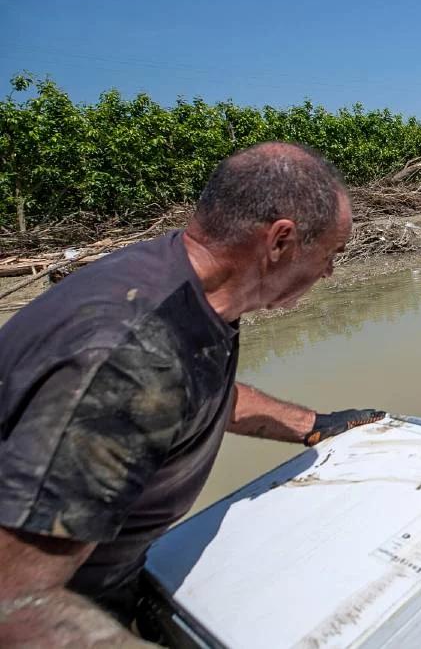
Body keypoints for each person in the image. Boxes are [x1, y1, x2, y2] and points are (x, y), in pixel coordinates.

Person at [0, 142, 385, 645]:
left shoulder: (179, 285)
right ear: (281, 242)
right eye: (330, 253)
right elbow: (13, 605)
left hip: (114, 579)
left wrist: (310, 423)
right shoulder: (129, 356)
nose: (330, 272)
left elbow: (185, 393)